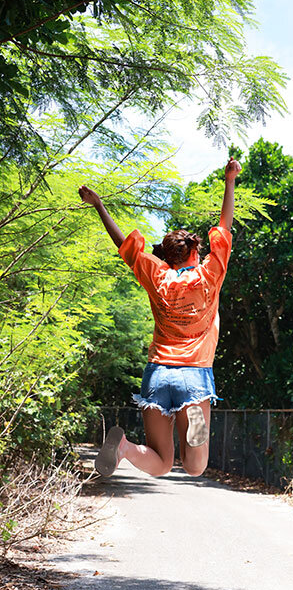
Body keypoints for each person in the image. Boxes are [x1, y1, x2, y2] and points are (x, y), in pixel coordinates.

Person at [79, 156, 241, 479]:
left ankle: (124, 447)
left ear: (167, 257)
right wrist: (230, 181)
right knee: (195, 466)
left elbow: (124, 244)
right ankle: (195, 422)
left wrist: (99, 206)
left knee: (162, 462)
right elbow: (224, 227)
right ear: (194, 252)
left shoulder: (157, 275)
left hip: (157, 375)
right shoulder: (209, 275)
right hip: (194, 376)